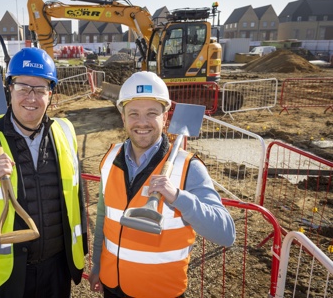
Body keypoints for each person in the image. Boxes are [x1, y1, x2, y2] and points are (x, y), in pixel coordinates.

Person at [0, 47, 88, 298]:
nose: (31, 98)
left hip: (57, 272)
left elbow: (76, 200)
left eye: (40, 89)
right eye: (23, 87)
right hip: (8, 277)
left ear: (51, 94)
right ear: (9, 89)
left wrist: (82, 251)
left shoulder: (66, 131)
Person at [89, 71, 236, 298]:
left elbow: (226, 234)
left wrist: (178, 197)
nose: (142, 122)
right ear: (123, 117)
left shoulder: (188, 168)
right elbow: (103, 218)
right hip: (113, 286)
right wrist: (98, 265)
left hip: (160, 291)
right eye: (134, 113)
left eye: (152, 113)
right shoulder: (110, 159)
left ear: (165, 117)